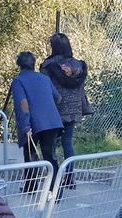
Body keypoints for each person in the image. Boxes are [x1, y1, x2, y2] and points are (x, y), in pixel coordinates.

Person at [11, 51, 63, 193]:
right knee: (50, 156)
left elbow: (23, 104)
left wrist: (26, 126)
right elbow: (58, 98)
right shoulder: (44, 78)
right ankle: (56, 191)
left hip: (33, 124)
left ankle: (31, 188)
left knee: (31, 155)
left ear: (19, 65)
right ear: (34, 64)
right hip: (52, 122)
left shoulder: (19, 81)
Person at [42, 33, 90, 169]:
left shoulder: (48, 65)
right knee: (67, 142)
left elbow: (45, 88)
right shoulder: (79, 65)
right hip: (74, 108)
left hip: (55, 108)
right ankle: (69, 178)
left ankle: (54, 177)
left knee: (51, 144)